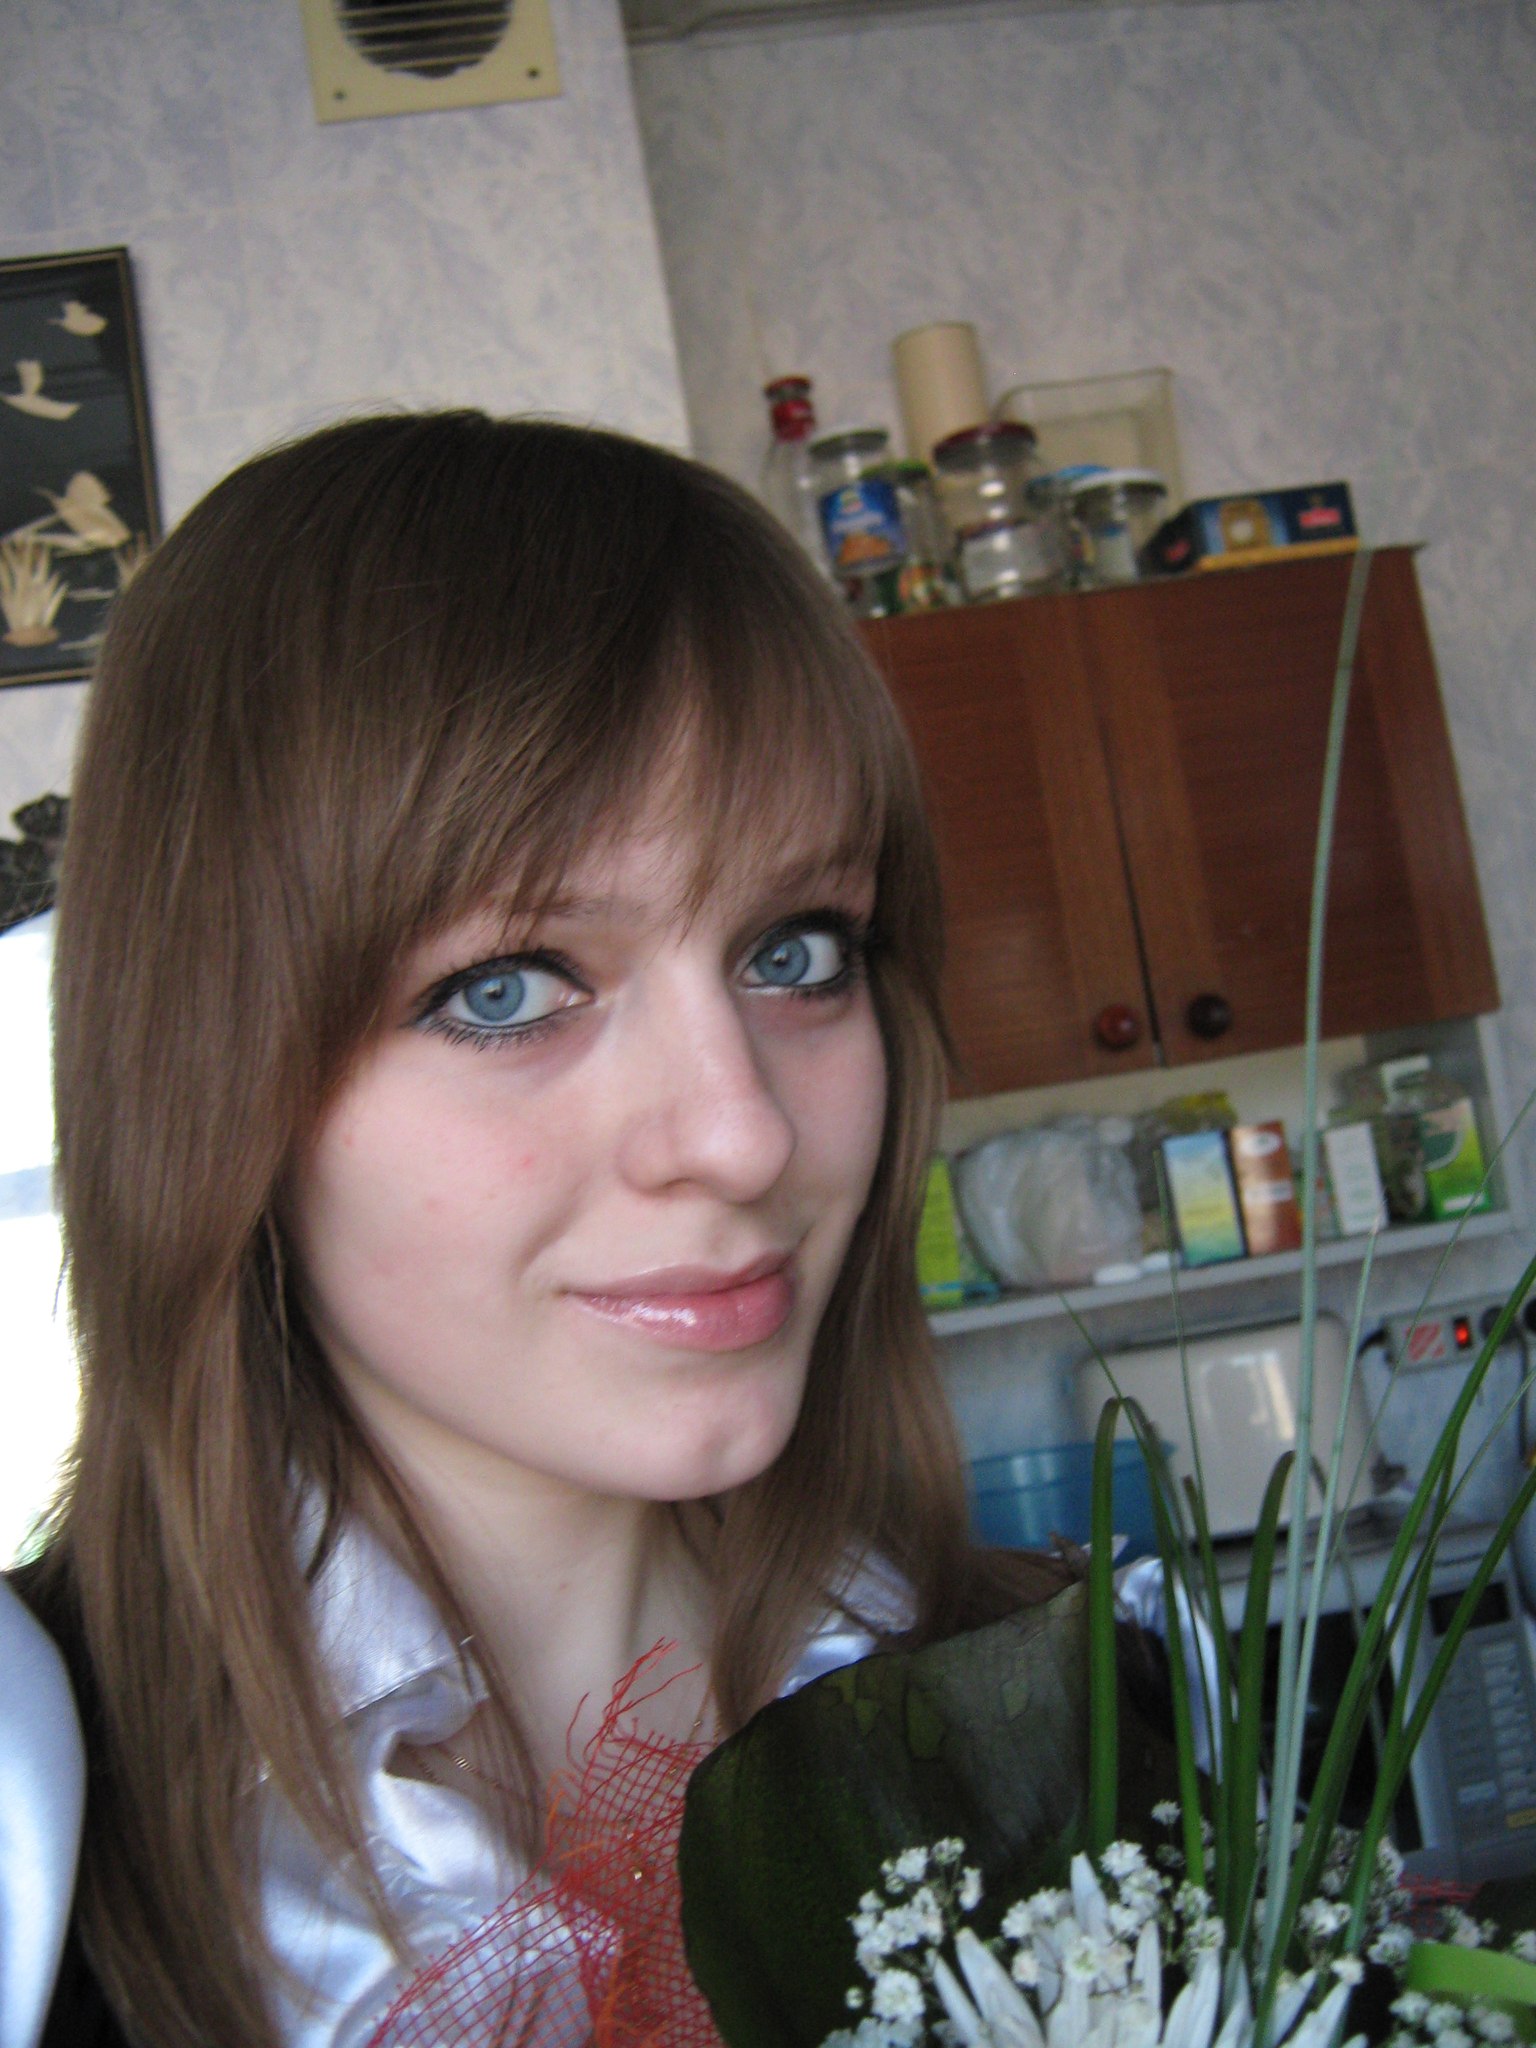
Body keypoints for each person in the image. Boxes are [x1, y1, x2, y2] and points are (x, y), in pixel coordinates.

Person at [17, 413, 1067, 2048]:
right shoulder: (30, 1844)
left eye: (797, 951)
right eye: (507, 989)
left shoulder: (1074, 1709)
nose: (743, 1133)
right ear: (207, 1077)